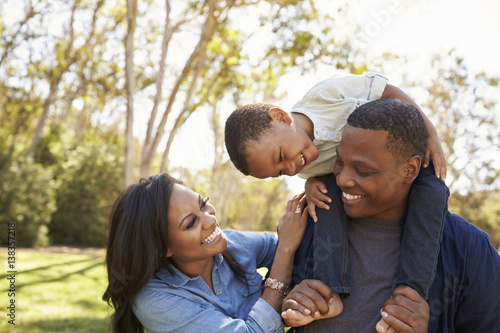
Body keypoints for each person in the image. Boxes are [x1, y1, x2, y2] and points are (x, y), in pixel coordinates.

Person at [224, 72, 448, 306]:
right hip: (363, 186)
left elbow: (386, 90)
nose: (290, 168)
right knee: (324, 200)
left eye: (280, 156)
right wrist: (311, 183)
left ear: (280, 117)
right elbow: (324, 174)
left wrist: (429, 132)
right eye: (280, 172)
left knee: (433, 193)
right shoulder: (302, 167)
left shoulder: (324, 96)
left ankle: (411, 291)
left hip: (405, 155)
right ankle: (330, 291)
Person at [281, 98, 500, 332]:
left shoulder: (467, 248)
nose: (342, 179)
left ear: (410, 169)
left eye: (363, 170)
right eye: (339, 162)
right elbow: (267, 308)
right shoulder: (310, 221)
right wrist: (288, 309)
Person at [102, 173, 324, 333]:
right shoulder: (155, 300)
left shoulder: (234, 244)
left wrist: (316, 183)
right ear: (162, 248)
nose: (210, 219)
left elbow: (302, 251)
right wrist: (285, 250)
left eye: (203, 204)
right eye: (191, 223)